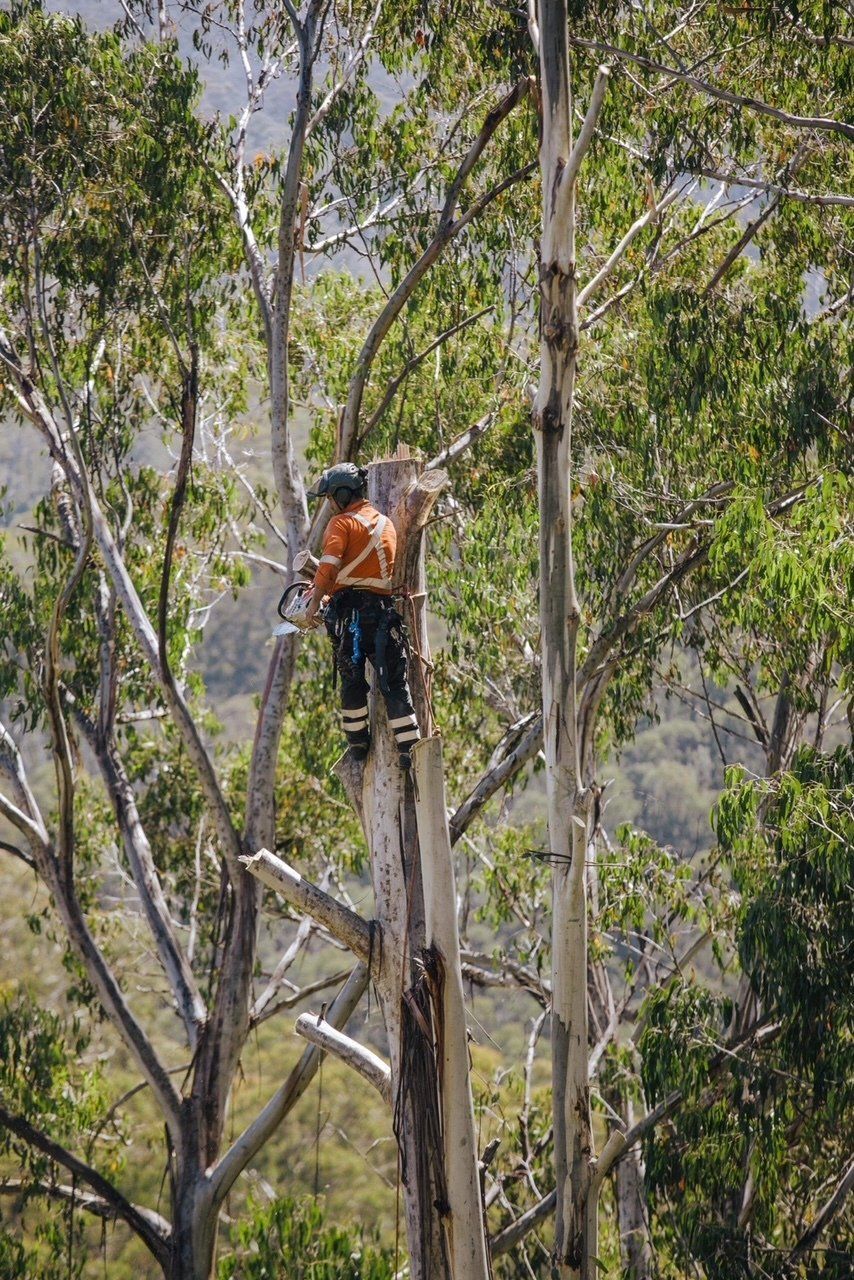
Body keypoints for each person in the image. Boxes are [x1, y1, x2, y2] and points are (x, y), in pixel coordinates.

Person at [305, 463, 421, 769]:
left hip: (351, 619)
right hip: (384, 615)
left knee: (353, 682)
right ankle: (410, 746)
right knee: (394, 683)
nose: (329, 504)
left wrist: (314, 604)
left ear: (342, 495)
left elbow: (328, 566)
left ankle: (358, 744)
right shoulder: (386, 524)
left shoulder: (341, 524)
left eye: (330, 497)